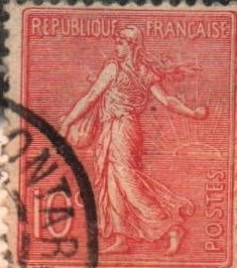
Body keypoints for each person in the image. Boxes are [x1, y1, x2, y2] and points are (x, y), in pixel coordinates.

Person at [59, 25, 208, 253]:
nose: (116, 47)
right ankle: (121, 239)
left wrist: (68, 122)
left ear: (131, 45)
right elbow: (167, 100)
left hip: (123, 129)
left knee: (128, 183)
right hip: (115, 128)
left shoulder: (116, 69)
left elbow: (91, 98)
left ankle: (170, 227)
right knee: (113, 184)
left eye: (120, 42)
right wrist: (193, 113)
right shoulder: (139, 71)